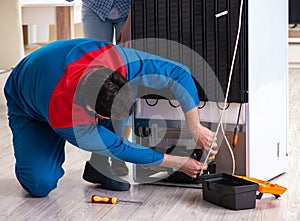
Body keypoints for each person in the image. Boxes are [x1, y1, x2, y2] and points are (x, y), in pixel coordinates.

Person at [4, 38, 217, 197]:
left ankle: (99, 168)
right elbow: (119, 147)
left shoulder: (118, 60)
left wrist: (194, 126)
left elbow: (179, 73)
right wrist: (177, 162)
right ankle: (39, 144)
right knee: (40, 184)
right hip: (28, 102)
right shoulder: (68, 119)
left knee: (115, 118)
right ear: (91, 110)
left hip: (54, 73)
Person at [67, 0, 132, 176]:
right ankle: (101, 152)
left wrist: (132, 22)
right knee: (97, 81)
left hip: (129, 9)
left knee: (125, 83)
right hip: (95, 7)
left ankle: (119, 152)